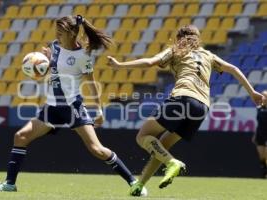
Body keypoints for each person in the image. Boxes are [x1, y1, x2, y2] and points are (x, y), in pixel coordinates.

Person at [107, 25, 265, 196]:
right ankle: (140, 184)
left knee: (143, 136)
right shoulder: (208, 55)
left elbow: (149, 62)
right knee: (162, 146)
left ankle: (172, 163)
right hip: (202, 107)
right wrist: (252, 93)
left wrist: (120, 65)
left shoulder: (176, 50)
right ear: (198, 39)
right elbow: (234, 69)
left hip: (183, 98)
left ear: (178, 38)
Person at [0, 15, 140, 192]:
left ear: (72, 33)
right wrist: (43, 63)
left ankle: (134, 182)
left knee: (97, 149)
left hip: (72, 107)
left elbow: (91, 84)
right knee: (21, 137)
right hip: (52, 108)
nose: (57, 35)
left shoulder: (83, 56)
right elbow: (54, 71)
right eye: (57, 31)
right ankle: (9, 184)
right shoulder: (54, 46)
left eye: (61, 32)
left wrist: (98, 111)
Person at [252, 90, 267, 178]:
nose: (263, 98)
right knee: (262, 157)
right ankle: (264, 173)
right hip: (260, 134)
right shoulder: (259, 109)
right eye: (262, 96)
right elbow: (259, 123)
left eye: (265, 96)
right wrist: (255, 134)